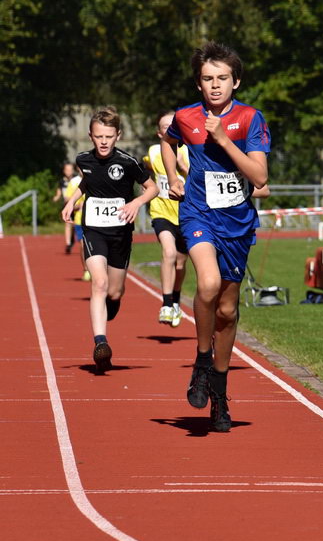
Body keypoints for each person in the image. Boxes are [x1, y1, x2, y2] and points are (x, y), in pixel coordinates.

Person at [161, 42, 270, 433]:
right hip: (197, 214)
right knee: (206, 283)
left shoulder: (250, 119)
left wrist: (223, 139)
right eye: (207, 79)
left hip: (238, 223)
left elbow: (259, 178)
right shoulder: (186, 118)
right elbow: (167, 139)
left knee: (227, 310)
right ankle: (201, 362)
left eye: (222, 78)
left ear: (235, 81)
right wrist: (174, 176)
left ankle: (220, 394)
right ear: (198, 83)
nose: (215, 85)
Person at [61, 107, 158, 374]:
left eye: (109, 136)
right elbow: (86, 182)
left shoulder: (128, 162)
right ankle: (100, 343)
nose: (103, 141)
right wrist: (72, 201)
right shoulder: (83, 159)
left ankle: (111, 306)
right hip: (93, 229)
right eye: (98, 136)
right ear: (90, 136)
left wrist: (136, 203)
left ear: (118, 136)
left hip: (120, 233)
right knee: (99, 283)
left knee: (114, 292)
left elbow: (153, 188)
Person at [145, 110, 191, 328]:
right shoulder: (154, 152)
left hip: (185, 215)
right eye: (164, 126)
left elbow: (198, 179)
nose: (169, 128)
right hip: (161, 212)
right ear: (158, 132)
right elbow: (146, 168)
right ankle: (165, 304)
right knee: (169, 252)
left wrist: (182, 167)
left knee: (180, 265)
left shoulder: (190, 151)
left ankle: (175, 298)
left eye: (173, 125)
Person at [53, 162, 79, 254]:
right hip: (66, 205)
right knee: (68, 224)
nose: (69, 172)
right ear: (64, 171)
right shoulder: (61, 182)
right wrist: (56, 198)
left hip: (77, 206)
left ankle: (72, 239)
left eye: (70, 170)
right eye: (67, 170)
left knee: (75, 225)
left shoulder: (77, 180)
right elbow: (59, 193)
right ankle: (68, 243)